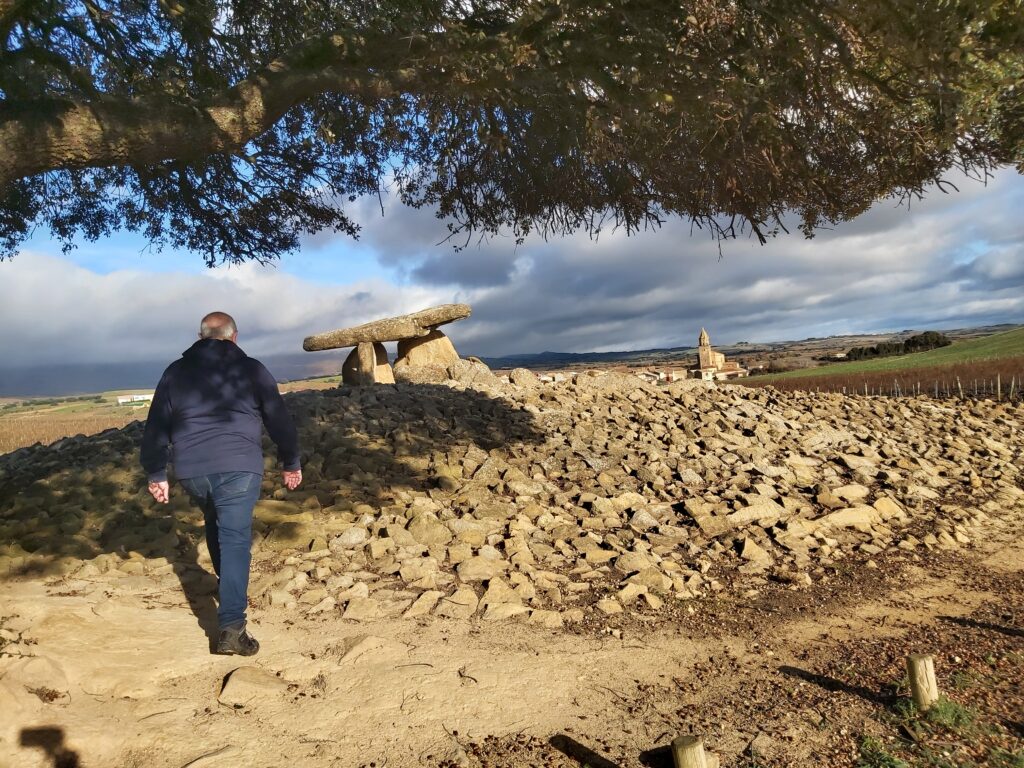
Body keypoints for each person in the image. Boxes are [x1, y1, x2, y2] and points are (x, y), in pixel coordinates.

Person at [141, 311, 302, 656]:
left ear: (200, 336)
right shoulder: (251, 368)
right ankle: (231, 626)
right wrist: (291, 461)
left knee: (216, 524)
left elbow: (156, 424)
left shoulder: (175, 371)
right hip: (239, 467)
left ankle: (228, 589)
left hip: (192, 470)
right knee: (234, 538)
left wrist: (156, 473)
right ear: (234, 336)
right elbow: (278, 417)